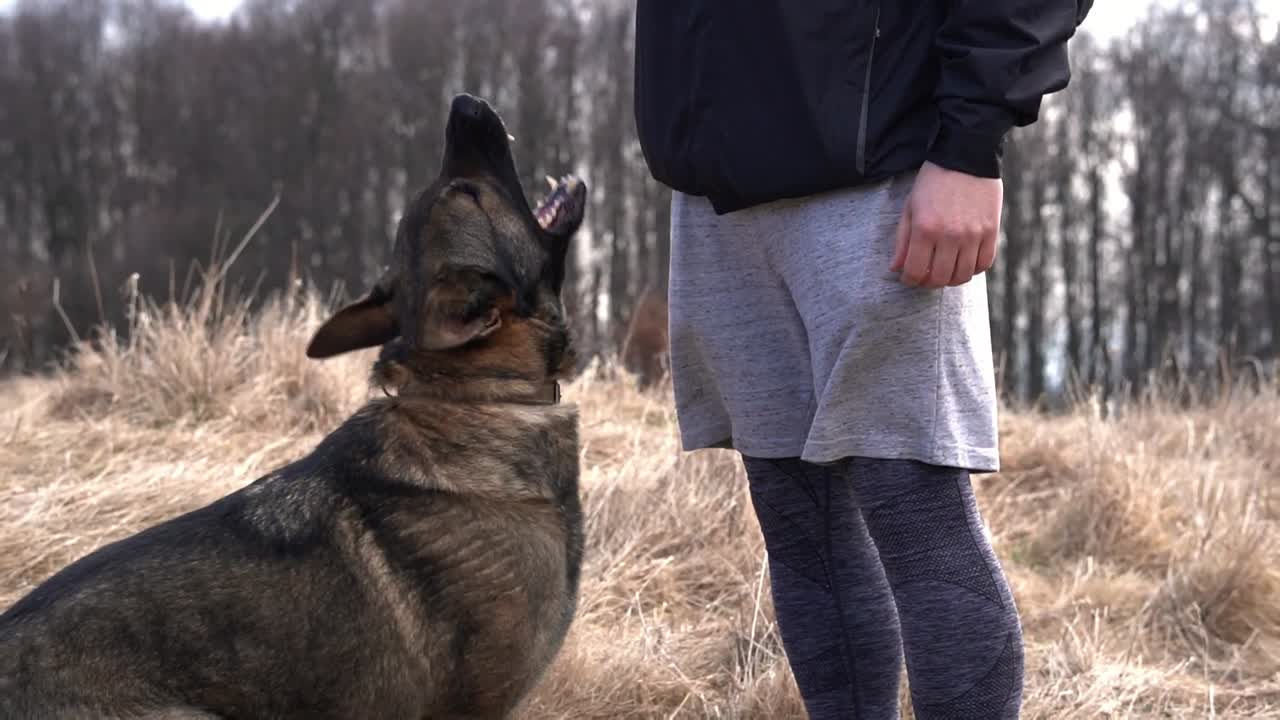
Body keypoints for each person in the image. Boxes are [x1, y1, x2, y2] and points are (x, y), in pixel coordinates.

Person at [633, 2, 1092, 718]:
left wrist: (970, 141)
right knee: (797, 521)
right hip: (715, 175)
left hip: (881, 161)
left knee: (913, 509)